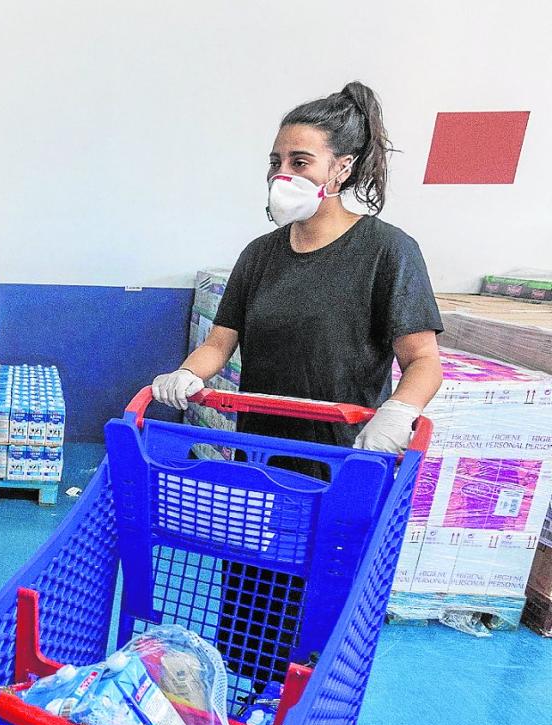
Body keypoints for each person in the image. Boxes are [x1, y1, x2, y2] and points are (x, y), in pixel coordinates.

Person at [153, 81, 442, 455]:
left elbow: (423, 359)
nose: (282, 175)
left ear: (342, 168)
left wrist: (399, 412)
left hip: (346, 453)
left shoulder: (387, 251)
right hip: (261, 448)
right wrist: (188, 374)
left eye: (300, 162)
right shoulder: (259, 255)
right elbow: (218, 343)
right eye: (276, 162)